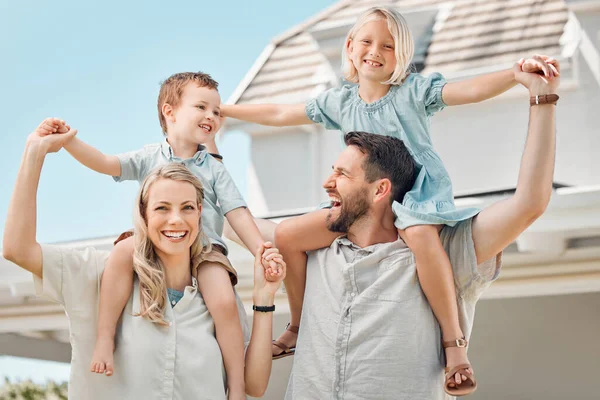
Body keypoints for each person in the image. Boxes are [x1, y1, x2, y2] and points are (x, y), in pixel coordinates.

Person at [221, 5, 559, 393]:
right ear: (349, 47)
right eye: (367, 41)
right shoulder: (340, 102)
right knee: (291, 234)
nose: (376, 51)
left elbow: (467, 89)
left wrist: (515, 75)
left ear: (402, 56)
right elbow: (281, 111)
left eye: (389, 45)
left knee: (419, 237)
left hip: (413, 195)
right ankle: (298, 324)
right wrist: (224, 109)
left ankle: (453, 344)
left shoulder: (412, 93)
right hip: (361, 202)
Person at [3, 127, 286, 399]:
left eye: (187, 207)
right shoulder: (105, 274)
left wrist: (264, 297)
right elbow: (17, 250)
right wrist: (34, 153)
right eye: (162, 208)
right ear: (144, 212)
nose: (176, 219)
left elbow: (255, 387)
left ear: (200, 212)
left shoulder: (219, 293)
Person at [55, 72, 280, 397]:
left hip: (204, 249)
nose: (211, 116)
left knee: (223, 301)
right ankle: (105, 337)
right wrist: (69, 142)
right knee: (121, 252)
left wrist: (261, 248)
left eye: (217, 111)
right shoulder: (150, 156)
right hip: (154, 243)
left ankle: (236, 382)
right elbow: (105, 163)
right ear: (169, 111)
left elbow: (236, 212)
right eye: (201, 106)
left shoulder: (213, 167)